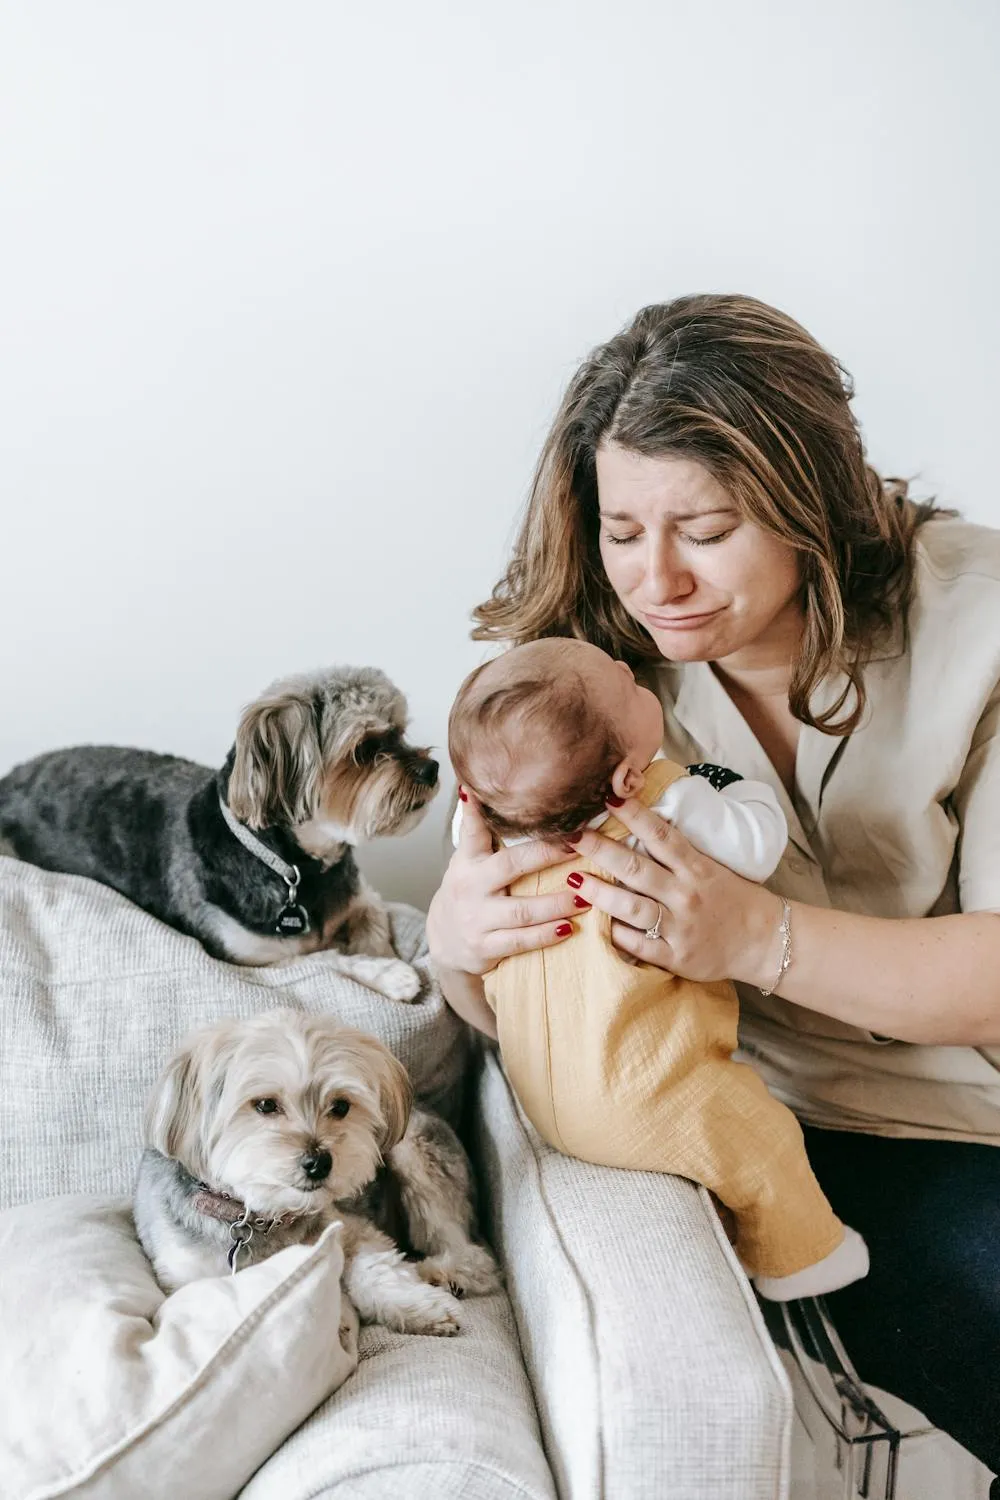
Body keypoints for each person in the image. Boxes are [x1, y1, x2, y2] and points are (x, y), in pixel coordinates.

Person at [426, 293, 1000, 1486]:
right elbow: (540, 1004)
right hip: (776, 1135)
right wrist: (460, 947)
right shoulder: (573, 687)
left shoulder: (978, 625)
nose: (658, 580)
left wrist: (757, 936)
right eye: (623, 529)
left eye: (706, 525)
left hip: (969, 1117)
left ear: (814, 502)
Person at [446, 635, 869, 1301]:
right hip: (642, 1089)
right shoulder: (666, 801)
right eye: (629, 688)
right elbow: (757, 848)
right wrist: (724, 789)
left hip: (544, 1089)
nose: (629, 670)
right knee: (760, 1142)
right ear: (624, 783)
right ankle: (805, 1260)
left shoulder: (493, 837)